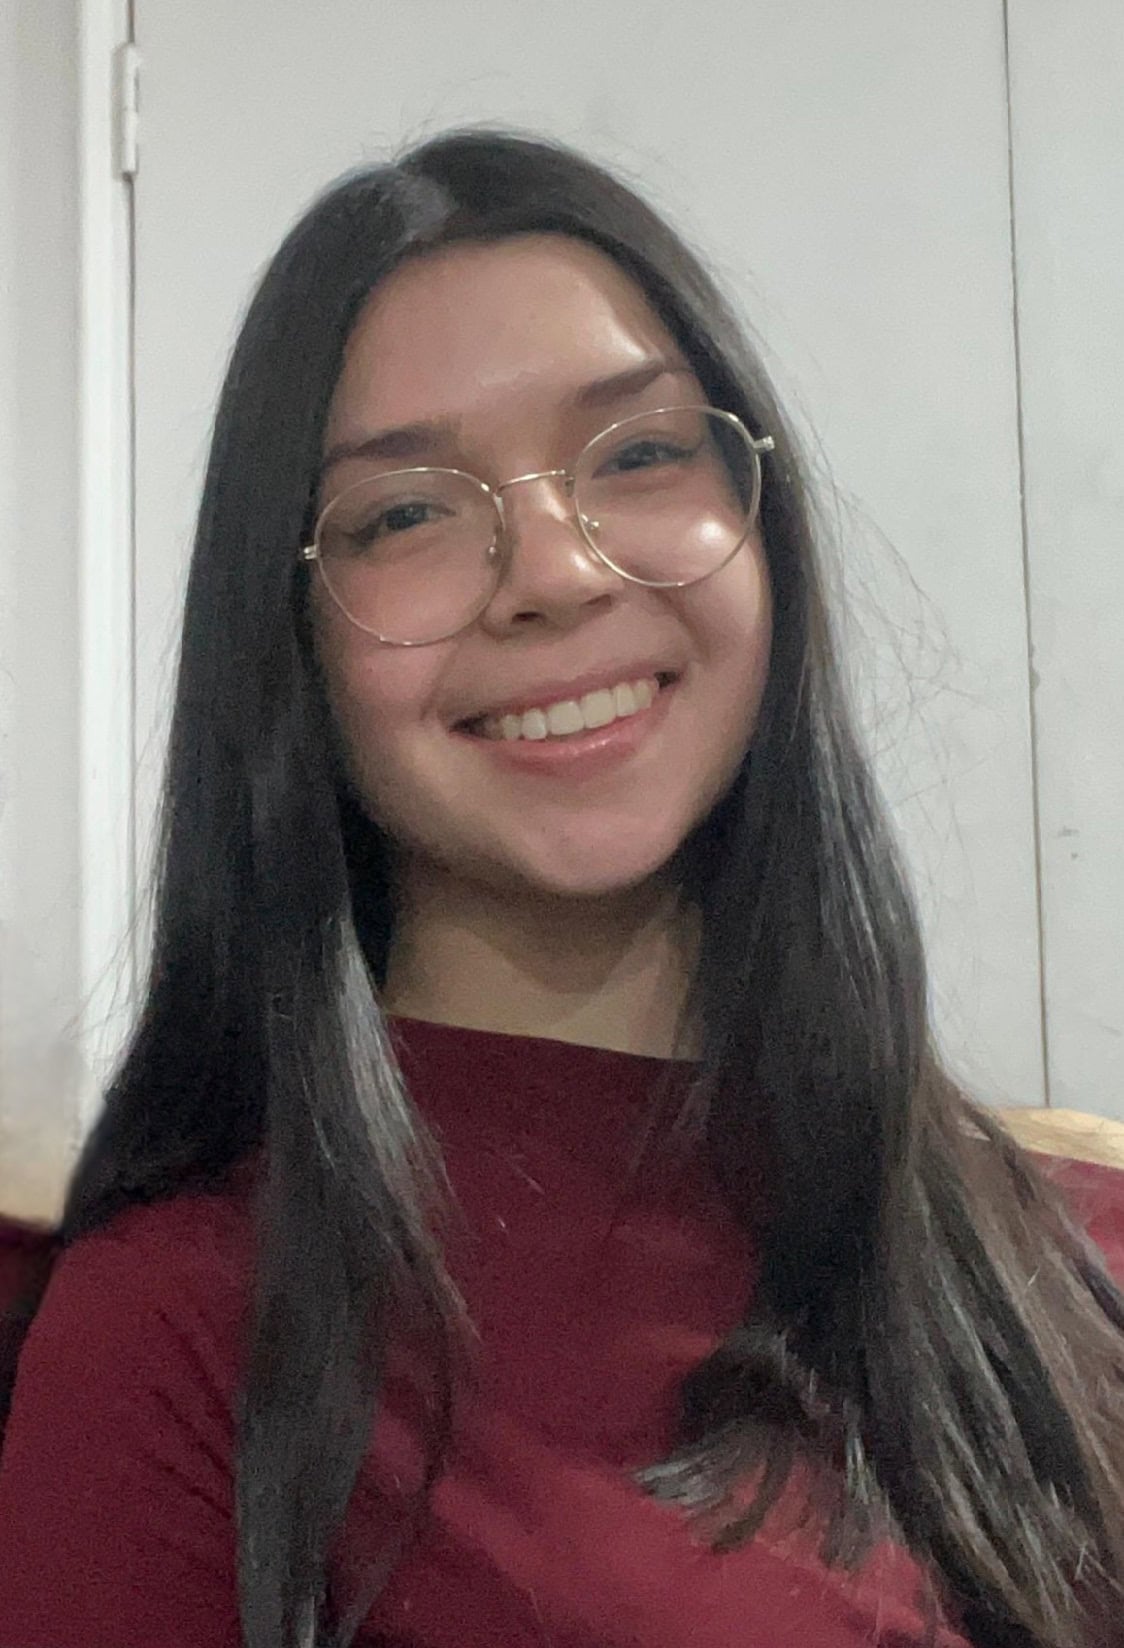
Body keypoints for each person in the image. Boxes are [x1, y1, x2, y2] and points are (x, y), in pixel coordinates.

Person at [0, 127, 1122, 1648]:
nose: (555, 570)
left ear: (761, 522)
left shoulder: (1070, 1251)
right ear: (291, 644)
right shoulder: (184, 1330)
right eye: (407, 513)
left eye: (642, 452)